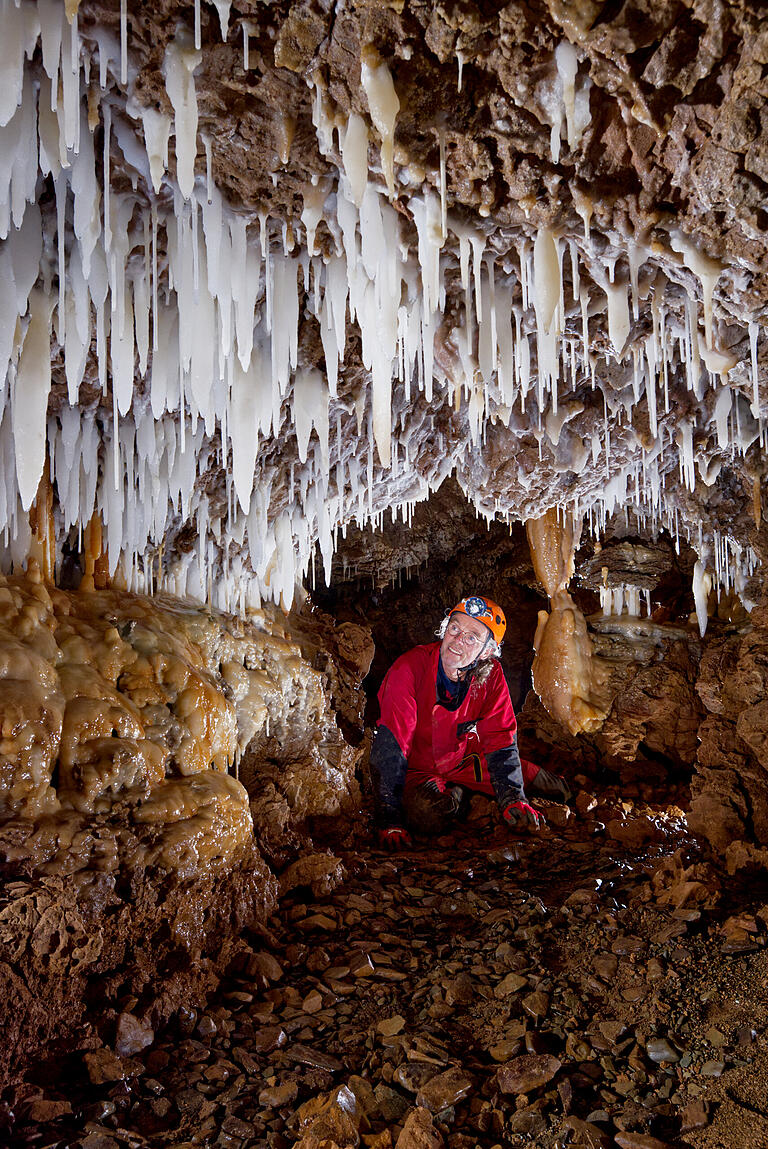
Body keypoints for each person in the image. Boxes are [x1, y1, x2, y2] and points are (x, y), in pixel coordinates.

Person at [369, 594, 571, 848]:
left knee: (558, 792)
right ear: (444, 629)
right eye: (454, 628)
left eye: (471, 637)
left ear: (487, 651)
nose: (457, 641)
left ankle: (494, 789)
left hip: (466, 759)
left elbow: (500, 738)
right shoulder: (410, 668)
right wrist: (389, 819)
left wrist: (512, 798)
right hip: (419, 768)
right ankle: (462, 795)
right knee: (426, 817)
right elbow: (392, 745)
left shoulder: (492, 677)